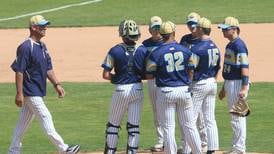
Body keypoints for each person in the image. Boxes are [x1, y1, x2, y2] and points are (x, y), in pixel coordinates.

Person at [9, 15, 80, 154]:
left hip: (36, 91)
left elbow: (48, 68)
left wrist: (57, 84)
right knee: (46, 117)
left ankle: (13, 151)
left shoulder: (42, 46)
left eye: (45, 25)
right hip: (31, 92)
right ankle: (64, 149)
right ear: (33, 28)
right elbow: (19, 71)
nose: (45, 28)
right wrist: (19, 93)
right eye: (42, 26)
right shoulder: (25, 47)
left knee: (21, 125)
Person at [146, 21, 202, 154]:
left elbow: (149, 75)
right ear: (174, 33)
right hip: (184, 91)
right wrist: (187, 82)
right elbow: (192, 68)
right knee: (189, 126)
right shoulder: (185, 50)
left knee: (168, 127)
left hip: (165, 92)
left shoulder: (155, 53)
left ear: (161, 34)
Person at [102, 19, 147, 154]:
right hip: (137, 89)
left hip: (121, 90)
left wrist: (116, 78)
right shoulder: (143, 50)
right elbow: (149, 74)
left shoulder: (115, 50)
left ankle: (110, 152)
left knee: (113, 125)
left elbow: (105, 74)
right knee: (134, 126)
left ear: (122, 33)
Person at [218, 17, 250, 154]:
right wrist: (224, 88)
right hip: (231, 82)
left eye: (226, 29)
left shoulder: (239, 45)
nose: (223, 31)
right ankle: (236, 147)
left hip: (237, 83)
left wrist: (244, 87)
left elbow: (245, 66)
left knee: (237, 116)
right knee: (235, 117)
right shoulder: (231, 45)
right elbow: (229, 68)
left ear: (235, 29)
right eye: (223, 29)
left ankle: (239, 148)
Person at [190, 17, 220, 154]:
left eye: (197, 27)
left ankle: (190, 149)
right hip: (212, 83)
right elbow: (217, 67)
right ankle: (212, 148)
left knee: (191, 119)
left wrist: (189, 84)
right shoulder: (215, 46)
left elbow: (191, 68)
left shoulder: (197, 48)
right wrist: (212, 79)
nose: (194, 29)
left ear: (201, 29)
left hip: (199, 84)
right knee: (210, 118)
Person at [179, 12, 208, 153]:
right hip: (185, 80)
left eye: (194, 25)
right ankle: (188, 145)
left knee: (199, 115)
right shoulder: (184, 39)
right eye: (189, 24)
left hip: (197, 81)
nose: (192, 27)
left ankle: (203, 142)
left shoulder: (203, 41)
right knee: (187, 115)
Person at [142, 16, 164, 152]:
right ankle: (161, 140)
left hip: (167, 81)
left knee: (169, 111)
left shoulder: (168, 41)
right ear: (149, 30)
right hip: (152, 81)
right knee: (156, 110)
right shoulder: (145, 45)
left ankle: (171, 139)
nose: (156, 30)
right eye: (154, 28)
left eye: (158, 28)